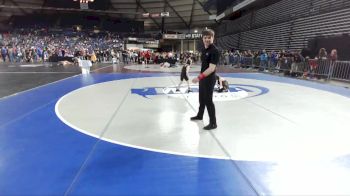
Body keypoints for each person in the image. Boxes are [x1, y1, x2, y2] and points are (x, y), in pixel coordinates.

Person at [191, 29, 219, 130]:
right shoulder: (204, 50)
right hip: (203, 77)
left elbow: (212, 68)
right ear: (202, 39)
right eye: (205, 37)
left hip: (209, 79)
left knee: (208, 100)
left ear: (213, 38)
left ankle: (213, 123)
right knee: (201, 99)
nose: (207, 39)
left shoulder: (214, 50)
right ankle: (200, 115)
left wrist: (199, 77)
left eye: (209, 37)